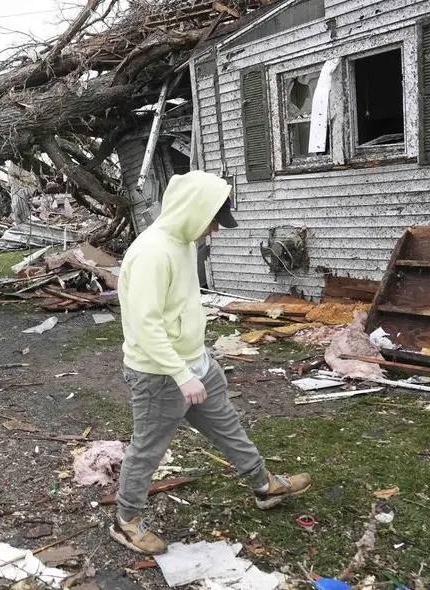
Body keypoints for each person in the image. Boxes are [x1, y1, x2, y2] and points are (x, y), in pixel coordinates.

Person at [110, 170, 312, 555]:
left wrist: (198, 360)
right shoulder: (152, 253)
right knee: (147, 449)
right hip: (159, 376)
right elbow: (145, 324)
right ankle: (126, 521)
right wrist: (182, 375)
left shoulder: (184, 241)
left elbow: (181, 306)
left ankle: (263, 485)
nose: (215, 231)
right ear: (192, 211)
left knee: (228, 427)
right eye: (214, 221)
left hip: (196, 364)